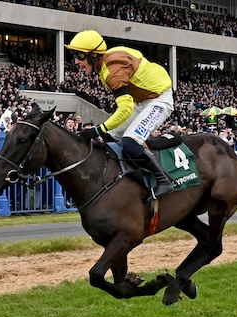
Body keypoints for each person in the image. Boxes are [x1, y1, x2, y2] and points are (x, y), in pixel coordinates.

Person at [65, 29, 175, 198]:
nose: (76, 61)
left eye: (80, 56)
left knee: (130, 142)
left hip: (158, 99)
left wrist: (97, 130)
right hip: (143, 100)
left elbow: (125, 109)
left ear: (94, 55)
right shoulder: (107, 60)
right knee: (109, 138)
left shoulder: (112, 72)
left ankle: (165, 181)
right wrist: (103, 132)